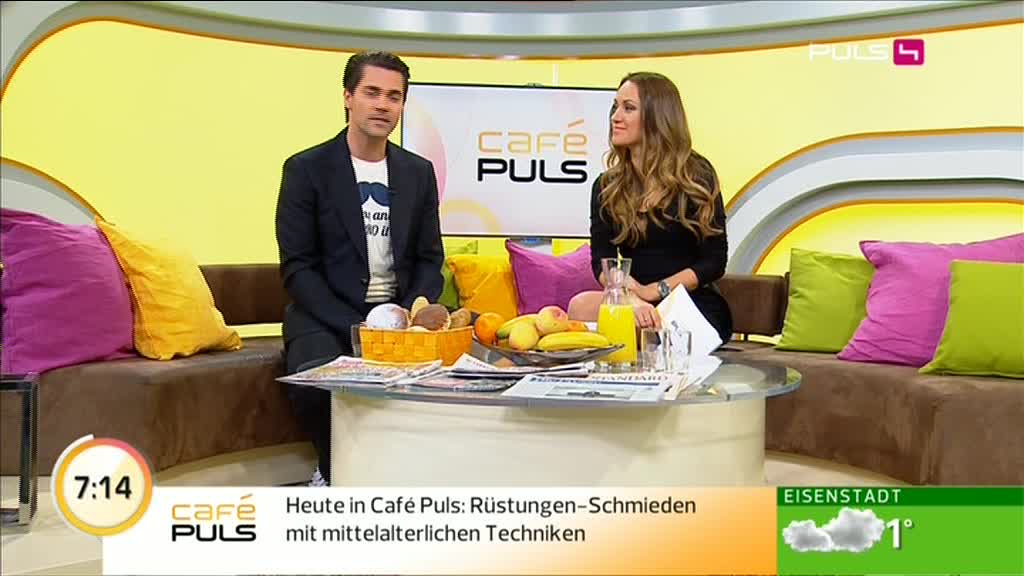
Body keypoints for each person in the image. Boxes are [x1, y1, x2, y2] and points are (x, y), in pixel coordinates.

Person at [275, 51, 444, 486]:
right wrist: (358, 327)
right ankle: (333, 475)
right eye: (372, 92)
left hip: (400, 316)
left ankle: (407, 480)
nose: (383, 105)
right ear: (348, 97)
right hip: (325, 315)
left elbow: (430, 258)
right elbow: (298, 267)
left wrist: (411, 313)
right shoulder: (306, 169)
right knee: (317, 383)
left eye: (394, 96)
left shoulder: (418, 172)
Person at [567, 72, 733, 344]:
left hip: (688, 300)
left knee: (646, 328)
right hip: (633, 302)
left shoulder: (696, 176)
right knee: (580, 306)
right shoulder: (607, 186)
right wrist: (631, 299)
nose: (615, 117)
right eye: (615, 107)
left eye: (628, 108)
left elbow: (714, 262)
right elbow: (602, 260)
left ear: (657, 117)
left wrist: (655, 291)